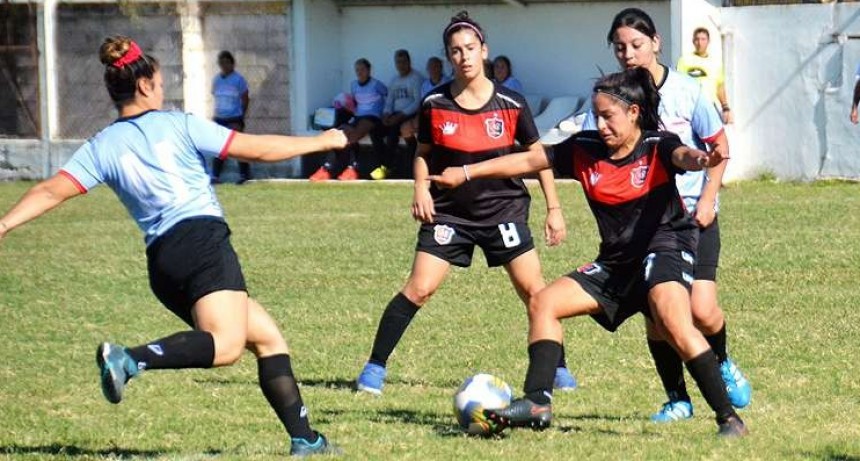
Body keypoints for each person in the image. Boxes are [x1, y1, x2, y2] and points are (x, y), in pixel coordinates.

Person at [0, 36, 347, 456]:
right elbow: (254, 149)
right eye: (161, 84)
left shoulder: (100, 146)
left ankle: (306, 440)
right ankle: (129, 358)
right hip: (201, 242)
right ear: (145, 85)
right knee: (226, 346)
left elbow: (51, 191)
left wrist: (3, 225)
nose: (164, 92)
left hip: (163, 264)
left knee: (267, 338)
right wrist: (322, 141)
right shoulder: (179, 124)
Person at [431, 67, 748, 438]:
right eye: (596, 116)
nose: (601, 124)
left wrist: (700, 160)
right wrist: (467, 172)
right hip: (615, 263)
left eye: (608, 116)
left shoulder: (657, 145)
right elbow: (527, 161)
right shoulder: (584, 149)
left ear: (633, 113)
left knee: (673, 321)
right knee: (543, 303)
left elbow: (683, 156)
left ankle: (729, 419)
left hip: (664, 250)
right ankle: (537, 402)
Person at [355, 11, 577, 396]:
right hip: (450, 212)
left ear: (484, 51)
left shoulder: (511, 103)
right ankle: (374, 368)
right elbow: (423, 152)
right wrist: (420, 188)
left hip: (503, 210)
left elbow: (537, 158)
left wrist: (553, 209)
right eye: (455, 51)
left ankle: (557, 367)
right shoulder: (434, 103)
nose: (464, 57)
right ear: (448, 56)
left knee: (535, 293)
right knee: (420, 288)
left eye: (470, 48)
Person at [582, 7, 751, 424]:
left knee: (702, 310)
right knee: (659, 312)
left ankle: (723, 361)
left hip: (692, 217)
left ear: (656, 42)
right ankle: (677, 398)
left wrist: (709, 197)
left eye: (636, 45)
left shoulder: (688, 91)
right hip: (643, 224)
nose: (628, 54)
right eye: (620, 47)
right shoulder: (613, 98)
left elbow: (718, 146)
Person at [310, 58, 388, 181]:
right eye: (357, 70)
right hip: (358, 116)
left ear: (369, 70)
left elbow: (388, 97)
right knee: (340, 133)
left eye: (362, 69)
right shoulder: (354, 85)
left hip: (373, 117)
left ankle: (352, 169)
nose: (360, 72)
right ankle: (326, 169)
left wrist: (385, 113)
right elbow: (356, 103)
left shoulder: (377, 85)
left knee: (353, 135)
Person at [372, 49, 424, 180]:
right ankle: (382, 163)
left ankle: (387, 167)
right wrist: (386, 114)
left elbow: (417, 102)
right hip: (394, 114)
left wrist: (400, 115)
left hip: (409, 114)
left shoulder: (416, 78)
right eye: (398, 62)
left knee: (394, 131)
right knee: (375, 131)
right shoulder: (394, 80)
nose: (401, 65)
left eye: (403, 62)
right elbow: (389, 100)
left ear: (409, 62)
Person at [210, 51, 252, 184]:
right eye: (221, 62)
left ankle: (244, 175)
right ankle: (215, 176)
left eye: (227, 62)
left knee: (239, 147)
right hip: (220, 118)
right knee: (219, 148)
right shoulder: (216, 80)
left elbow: (245, 98)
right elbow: (216, 96)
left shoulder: (238, 80)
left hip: (234, 118)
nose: (224, 65)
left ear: (232, 64)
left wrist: (241, 116)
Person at [676, 27, 733, 124]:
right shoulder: (684, 60)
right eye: (697, 39)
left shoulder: (715, 62)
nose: (700, 42)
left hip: (710, 107)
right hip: (691, 107)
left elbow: (719, 86)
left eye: (703, 39)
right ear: (693, 41)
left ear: (708, 41)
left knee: (716, 137)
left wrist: (725, 107)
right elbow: (678, 84)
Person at [399, 57, 452, 149]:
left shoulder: (448, 82)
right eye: (430, 67)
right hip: (427, 115)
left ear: (441, 68)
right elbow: (422, 103)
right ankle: (415, 153)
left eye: (435, 67)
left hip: (443, 116)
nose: (433, 70)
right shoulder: (425, 84)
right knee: (405, 128)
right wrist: (418, 117)